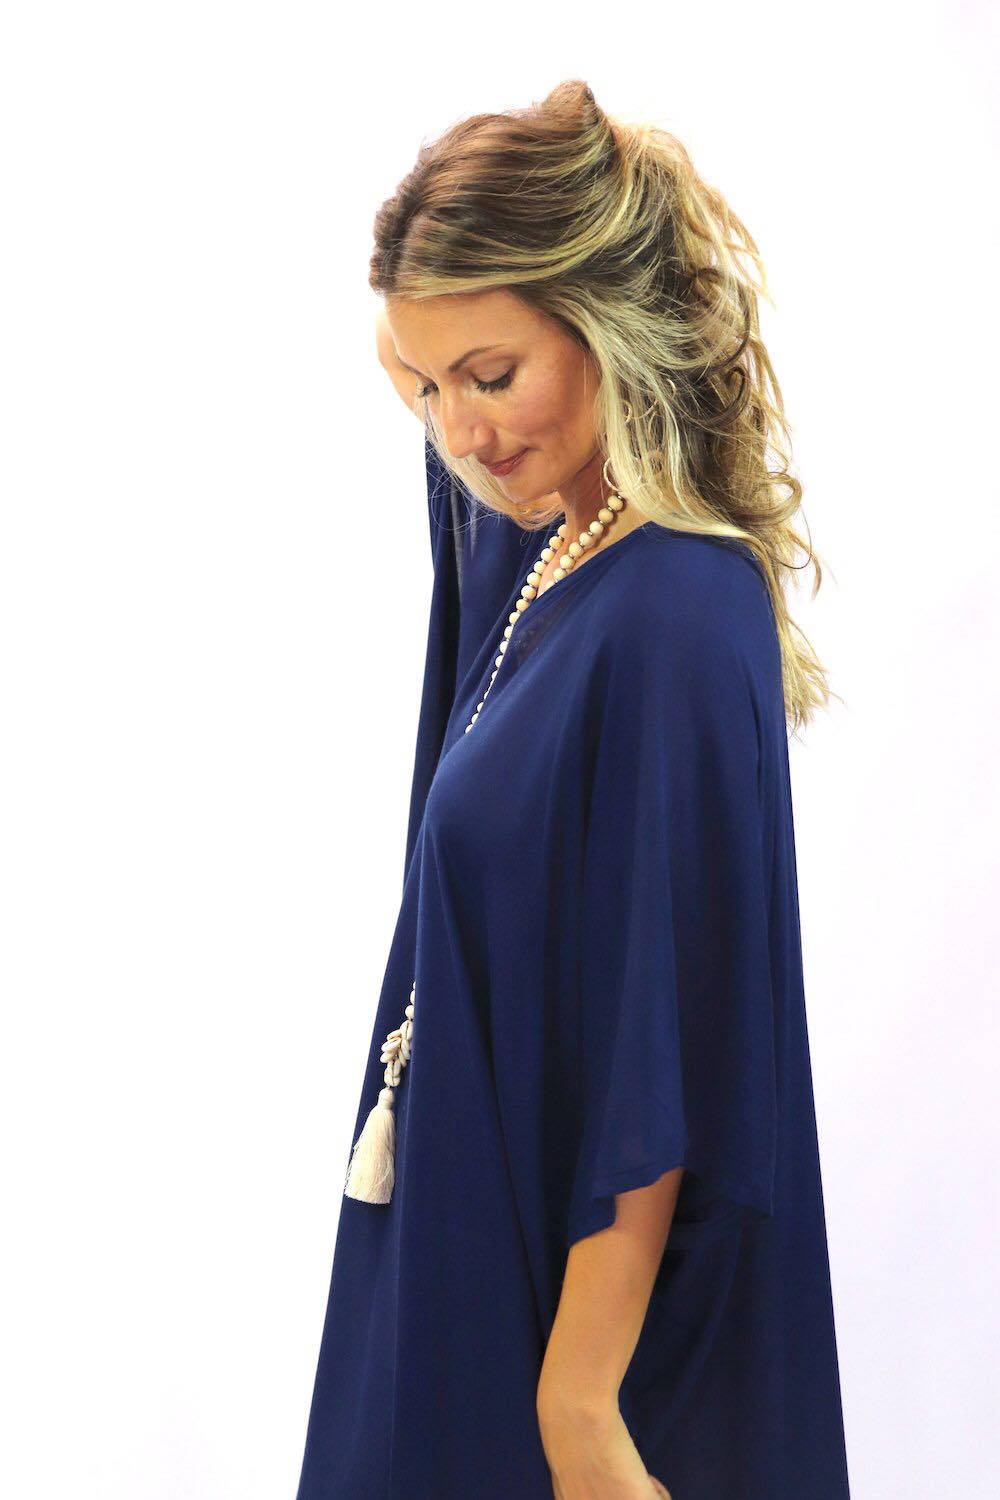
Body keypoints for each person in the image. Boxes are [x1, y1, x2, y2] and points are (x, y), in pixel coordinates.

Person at [294, 80, 852, 1499]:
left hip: (567, 1307)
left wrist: (581, 1401)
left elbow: (666, 1034)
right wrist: (470, 264)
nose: (460, 433)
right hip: (452, 1227)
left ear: (604, 326)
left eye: (491, 375)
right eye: (430, 387)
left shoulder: (672, 615)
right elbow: (412, 353)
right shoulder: (528, 540)